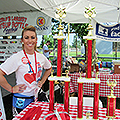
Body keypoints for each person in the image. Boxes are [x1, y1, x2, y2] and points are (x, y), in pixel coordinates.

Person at [0, 25, 52, 116]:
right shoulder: (17, 57)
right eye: (26, 38)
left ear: (36, 40)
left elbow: (49, 68)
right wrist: (11, 89)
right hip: (21, 99)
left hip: (37, 98)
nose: (30, 40)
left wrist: (42, 81)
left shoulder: (41, 57)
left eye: (32, 37)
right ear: (22, 40)